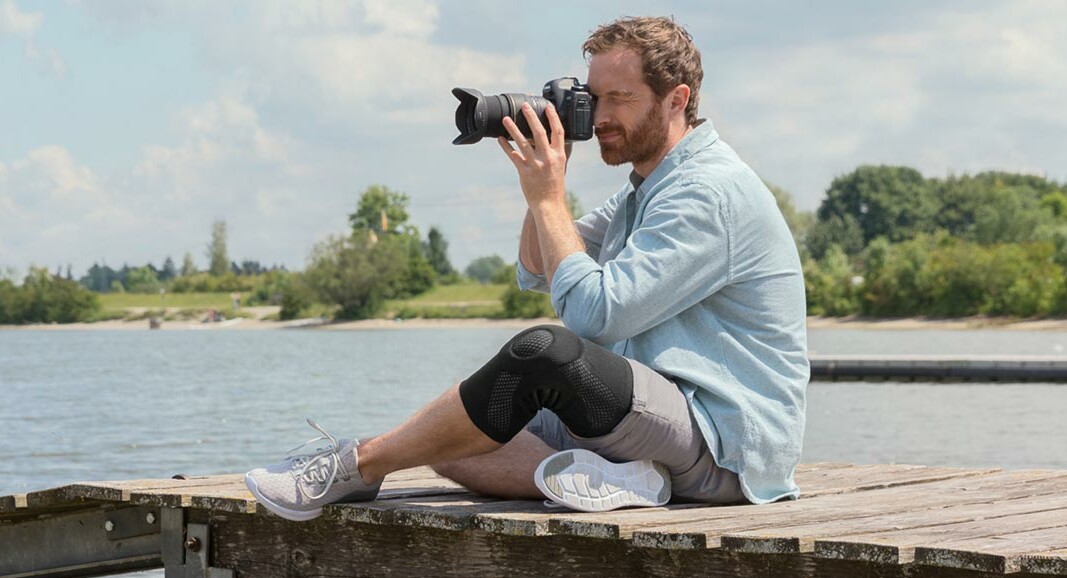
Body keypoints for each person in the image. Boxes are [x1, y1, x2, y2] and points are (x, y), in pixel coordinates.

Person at [244, 16, 808, 521]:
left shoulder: (707, 192)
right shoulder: (647, 189)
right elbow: (535, 267)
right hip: (656, 426)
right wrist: (541, 171)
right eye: (594, 98)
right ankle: (626, 481)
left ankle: (353, 467)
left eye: (620, 99)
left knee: (544, 352)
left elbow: (593, 318)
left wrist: (547, 197)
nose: (603, 116)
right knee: (451, 438)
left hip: (724, 448)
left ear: (675, 99)